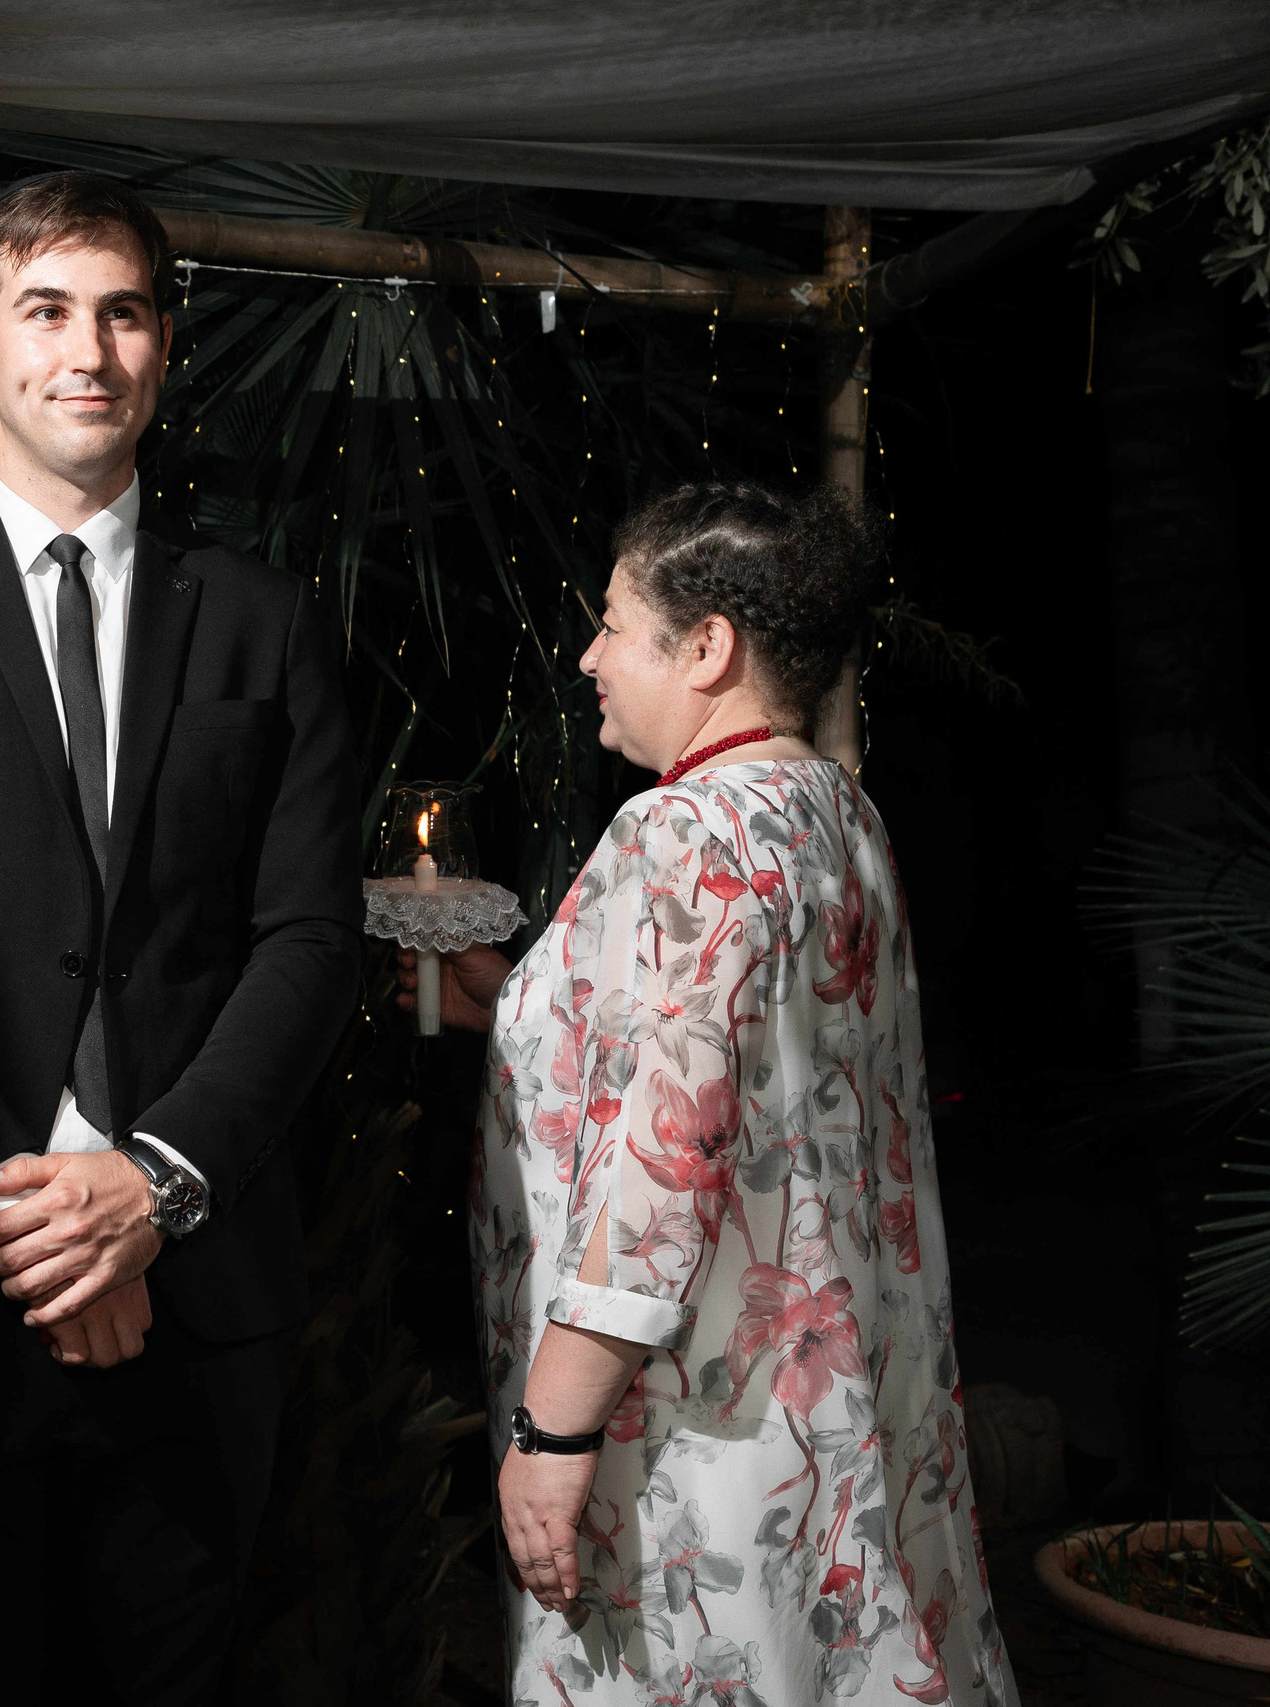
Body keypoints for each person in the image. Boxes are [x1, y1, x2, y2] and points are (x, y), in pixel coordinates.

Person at [0, 170, 361, 1702]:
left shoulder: (263, 618)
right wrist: (23, 1206)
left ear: (165, 347)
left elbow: (306, 937)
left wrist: (152, 1186)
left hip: (196, 1289)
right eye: (45, 311)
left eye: (123, 311)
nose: (85, 349)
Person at [406, 484, 1012, 1704]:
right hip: (837, 1411)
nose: (587, 656)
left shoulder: (682, 830)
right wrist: (513, 998)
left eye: (615, 624)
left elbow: (660, 1173)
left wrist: (550, 1436)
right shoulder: (835, 812)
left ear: (706, 647)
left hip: (695, 1425)